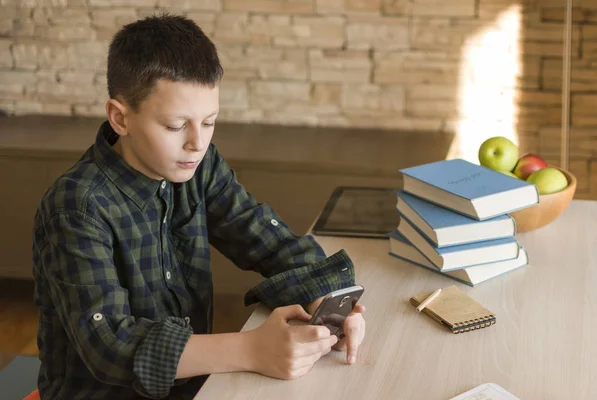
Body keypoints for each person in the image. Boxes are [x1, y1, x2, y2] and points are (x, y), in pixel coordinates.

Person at [32, 14, 366, 400]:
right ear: (119, 117)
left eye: (209, 121)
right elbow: (110, 345)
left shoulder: (200, 167)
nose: (197, 143)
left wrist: (332, 301)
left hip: (193, 384)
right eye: (176, 126)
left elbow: (261, 235)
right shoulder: (76, 208)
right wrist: (252, 349)